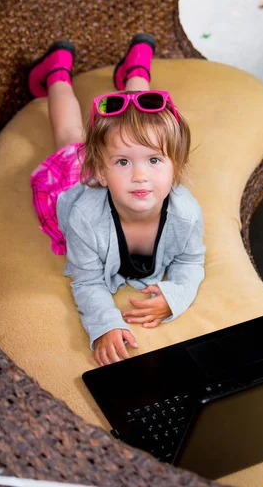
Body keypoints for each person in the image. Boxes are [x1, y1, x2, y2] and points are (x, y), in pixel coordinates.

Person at [28, 34, 206, 367]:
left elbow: (190, 262)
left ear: (176, 167)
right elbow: (88, 280)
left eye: (154, 161)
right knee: (69, 136)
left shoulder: (186, 213)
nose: (140, 176)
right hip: (72, 178)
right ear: (100, 171)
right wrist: (105, 323)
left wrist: (176, 295)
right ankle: (56, 74)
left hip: (106, 159)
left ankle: (136, 68)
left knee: (137, 123)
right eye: (123, 163)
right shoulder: (85, 217)